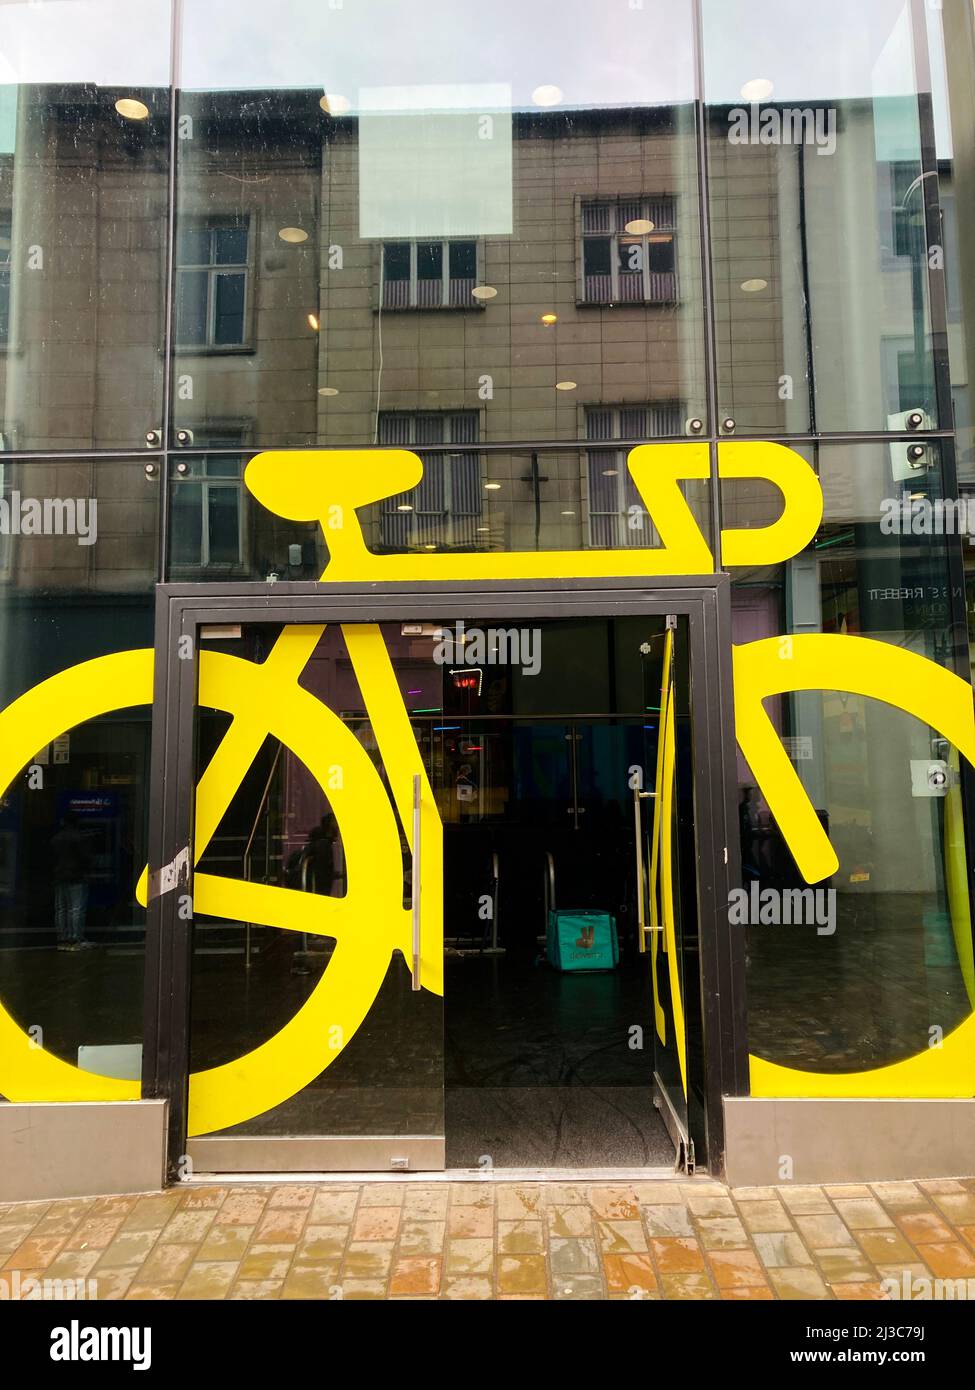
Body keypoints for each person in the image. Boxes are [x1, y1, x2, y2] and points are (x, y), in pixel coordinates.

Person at [51, 812, 94, 951]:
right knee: (76, 909)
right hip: (77, 876)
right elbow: (86, 858)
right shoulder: (79, 838)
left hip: (59, 876)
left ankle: (62, 937)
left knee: (60, 909)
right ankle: (75, 937)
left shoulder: (56, 839)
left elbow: (51, 858)